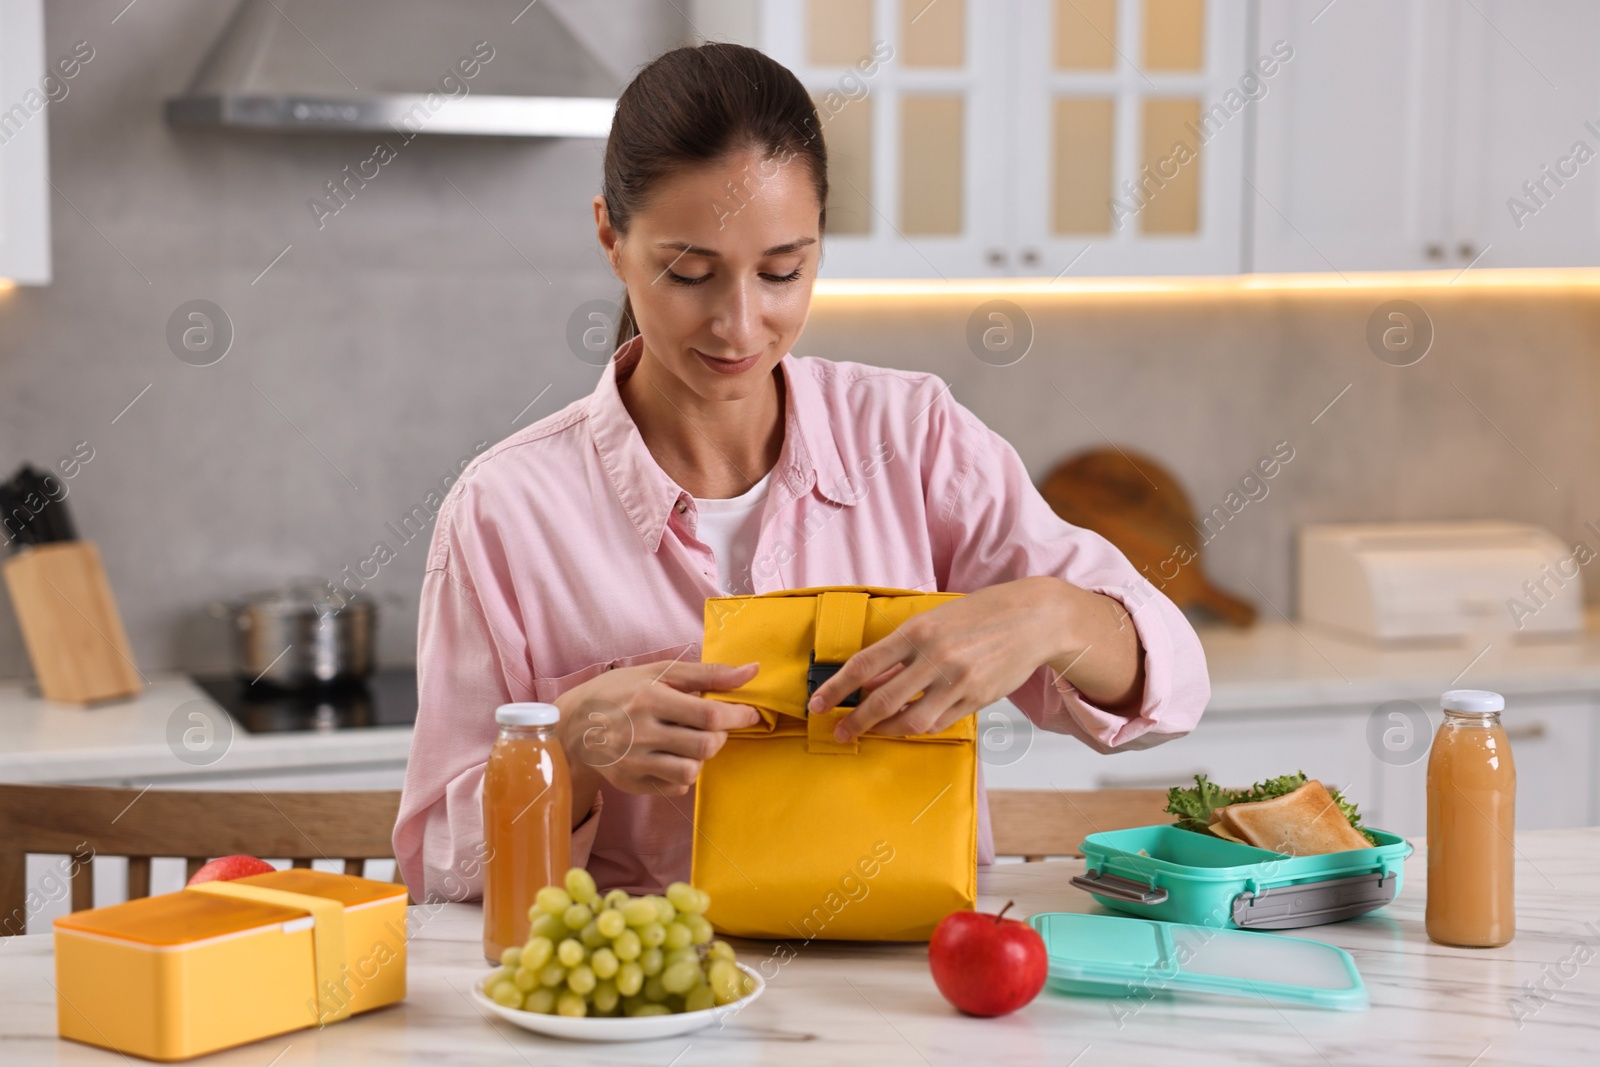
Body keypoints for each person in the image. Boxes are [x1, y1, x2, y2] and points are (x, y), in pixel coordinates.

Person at [393, 42, 1209, 901]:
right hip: (647, 1013)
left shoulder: (917, 437)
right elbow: (441, 869)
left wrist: (1051, 615)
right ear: (610, 237)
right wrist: (571, 749)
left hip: (910, 1003)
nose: (740, 324)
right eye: (689, 273)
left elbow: (1173, 688)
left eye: (783, 270)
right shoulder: (503, 511)